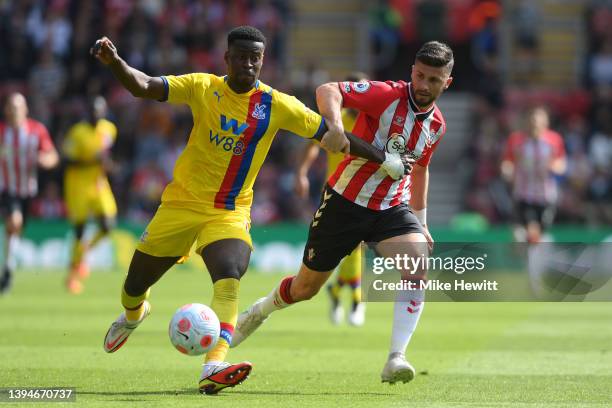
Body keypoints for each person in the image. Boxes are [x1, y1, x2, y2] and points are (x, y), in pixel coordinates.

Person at [91, 26, 407, 394]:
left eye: (255, 58)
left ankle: (214, 365)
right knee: (134, 285)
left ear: (263, 60)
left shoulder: (276, 105)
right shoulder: (202, 86)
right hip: (179, 205)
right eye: (240, 57)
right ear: (227, 59)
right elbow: (142, 85)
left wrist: (385, 158)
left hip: (229, 212)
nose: (248, 64)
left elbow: (332, 135)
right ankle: (134, 314)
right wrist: (115, 62)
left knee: (229, 275)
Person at [232, 41, 454, 385]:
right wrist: (335, 125)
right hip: (345, 203)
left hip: (392, 208)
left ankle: (396, 358)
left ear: (447, 82)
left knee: (417, 265)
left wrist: (422, 224)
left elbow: (421, 170)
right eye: (420, 76)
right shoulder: (385, 95)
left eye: (434, 80)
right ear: (412, 71)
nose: (424, 86)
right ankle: (260, 311)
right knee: (305, 288)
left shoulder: (436, 125)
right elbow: (328, 90)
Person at [294, 72, 369, 326]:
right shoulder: (339, 121)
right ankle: (346, 294)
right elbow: (313, 145)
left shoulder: (376, 123)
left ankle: (352, 297)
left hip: (365, 194)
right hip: (335, 192)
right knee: (345, 248)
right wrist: (303, 173)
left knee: (356, 246)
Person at [0, 93, 59, 294]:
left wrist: (46, 160)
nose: (14, 111)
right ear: (6, 110)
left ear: (25, 110)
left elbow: (53, 156)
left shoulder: (37, 130)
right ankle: (7, 270)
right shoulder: (1, 132)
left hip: (29, 190)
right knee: (14, 222)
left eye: (18, 107)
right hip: (7, 189)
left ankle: (7, 266)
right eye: (11, 107)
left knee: (17, 230)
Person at [63, 96, 118, 294]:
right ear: (88, 112)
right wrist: (91, 160)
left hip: (99, 183)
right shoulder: (77, 133)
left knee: (108, 225)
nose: (97, 115)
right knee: (79, 229)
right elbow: (67, 161)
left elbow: (106, 155)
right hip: (78, 185)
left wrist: (107, 164)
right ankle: (72, 276)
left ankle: (84, 253)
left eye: (100, 112)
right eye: (93, 111)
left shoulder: (109, 129)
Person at [501, 106, 566, 243]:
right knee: (525, 233)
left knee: (538, 236)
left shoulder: (554, 140)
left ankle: (537, 255)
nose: (535, 125)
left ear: (545, 123)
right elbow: (508, 161)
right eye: (532, 121)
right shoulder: (516, 140)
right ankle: (530, 255)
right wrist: (507, 170)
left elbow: (561, 163)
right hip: (524, 194)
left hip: (546, 195)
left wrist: (555, 167)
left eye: (538, 122)